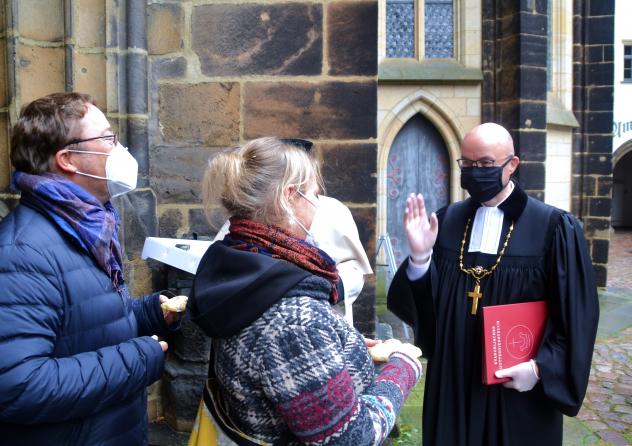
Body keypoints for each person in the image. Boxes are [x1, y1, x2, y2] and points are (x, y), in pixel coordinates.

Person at [187, 137, 421, 445]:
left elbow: (275, 363)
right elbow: (349, 439)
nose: (318, 201)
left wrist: (340, 343)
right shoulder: (294, 323)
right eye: (313, 193)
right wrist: (402, 368)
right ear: (289, 197)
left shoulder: (236, 261)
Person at [387, 122, 599, 446]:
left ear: (512, 164)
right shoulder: (447, 220)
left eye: (486, 164)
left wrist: (541, 369)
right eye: (467, 164)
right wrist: (419, 259)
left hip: (516, 389)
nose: (475, 172)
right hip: (454, 380)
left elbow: (577, 316)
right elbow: (425, 309)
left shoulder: (553, 227)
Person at [0, 92, 181, 445]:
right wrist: (138, 359)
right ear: (68, 159)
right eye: (108, 138)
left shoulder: (87, 227)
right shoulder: (22, 252)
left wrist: (148, 313)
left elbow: (79, 324)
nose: (120, 149)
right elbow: (17, 385)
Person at [212, 139, 372, 326]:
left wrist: (329, 290)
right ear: (287, 191)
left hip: (327, 315)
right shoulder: (242, 224)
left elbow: (354, 266)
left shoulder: (332, 210)